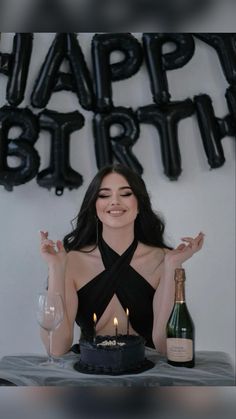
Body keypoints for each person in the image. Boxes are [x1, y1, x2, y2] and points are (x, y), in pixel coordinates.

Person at [39, 164, 204, 356]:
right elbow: (56, 348)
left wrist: (173, 266)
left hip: (147, 374)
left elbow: (165, 348)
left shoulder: (164, 260)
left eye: (125, 194)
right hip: (91, 373)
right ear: (94, 205)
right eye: (104, 195)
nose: (115, 201)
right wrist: (55, 268)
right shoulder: (73, 261)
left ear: (140, 203)